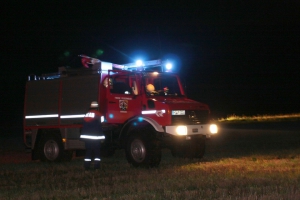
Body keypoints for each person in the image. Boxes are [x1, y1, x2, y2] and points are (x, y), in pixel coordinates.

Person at [80, 101, 105, 170]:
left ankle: (86, 166)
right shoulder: (99, 114)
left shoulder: (87, 114)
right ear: (97, 107)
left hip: (87, 138)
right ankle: (96, 166)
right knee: (97, 152)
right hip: (95, 137)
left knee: (88, 151)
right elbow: (102, 123)